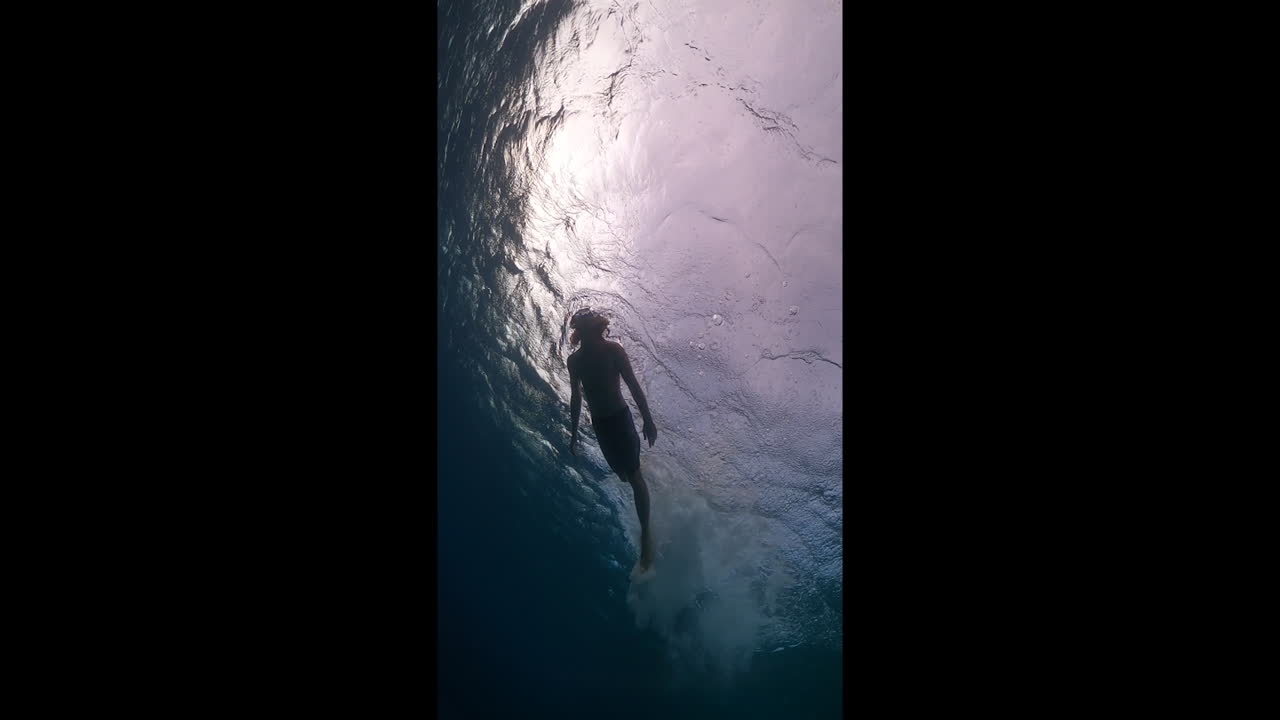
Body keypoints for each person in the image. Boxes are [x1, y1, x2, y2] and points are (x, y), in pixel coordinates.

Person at [567, 308, 659, 574]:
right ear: (579, 330)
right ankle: (640, 476)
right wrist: (573, 433)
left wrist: (648, 420)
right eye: (581, 326)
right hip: (601, 425)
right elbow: (576, 398)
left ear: (597, 327)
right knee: (622, 475)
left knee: (633, 475)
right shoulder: (575, 361)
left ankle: (646, 537)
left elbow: (632, 384)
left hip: (619, 418)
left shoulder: (614, 351)